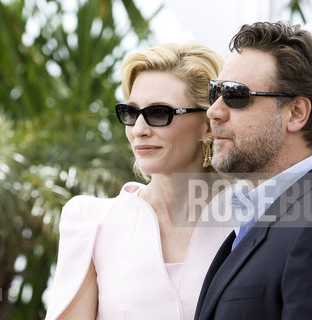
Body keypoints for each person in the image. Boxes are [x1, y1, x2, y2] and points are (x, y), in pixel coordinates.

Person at [194, 21, 312, 320]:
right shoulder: (262, 218)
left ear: (296, 114)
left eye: (235, 95)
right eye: (214, 93)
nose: (214, 111)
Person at [46, 42, 231, 320]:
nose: (139, 130)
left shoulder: (250, 223)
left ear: (208, 124)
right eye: (131, 113)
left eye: (159, 113)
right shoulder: (91, 222)